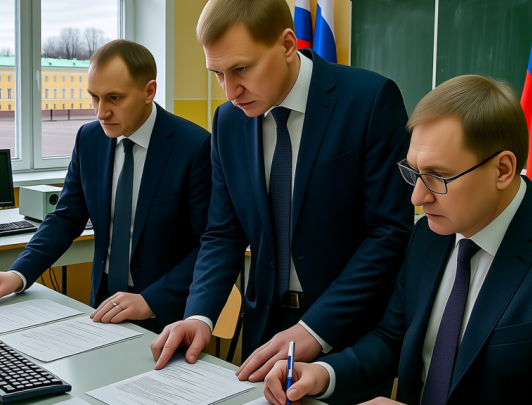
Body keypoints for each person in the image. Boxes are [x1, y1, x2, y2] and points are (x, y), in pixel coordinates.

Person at [262, 74, 532, 405]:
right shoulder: (428, 235)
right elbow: (392, 339)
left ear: (503, 169)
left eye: (438, 176)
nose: (417, 197)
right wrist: (325, 374)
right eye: (413, 172)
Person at [150, 0, 413, 384]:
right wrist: (199, 315)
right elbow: (223, 233)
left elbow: (389, 233)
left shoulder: (370, 100)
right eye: (218, 74)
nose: (230, 91)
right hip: (264, 329)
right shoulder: (227, 121)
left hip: (347, 335)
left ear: (288, 44)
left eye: (241, 68)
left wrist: (314, 329)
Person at [0, 39, 212, 334]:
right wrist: (18, 274)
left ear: (149, 91)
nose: (100, 112)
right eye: (95, 97)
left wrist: (150, 300)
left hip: (167, 313)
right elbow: (66, 218)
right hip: (102, 302)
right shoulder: (89, 139)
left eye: (114, 98)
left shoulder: (194, 146)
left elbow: (208, 244)